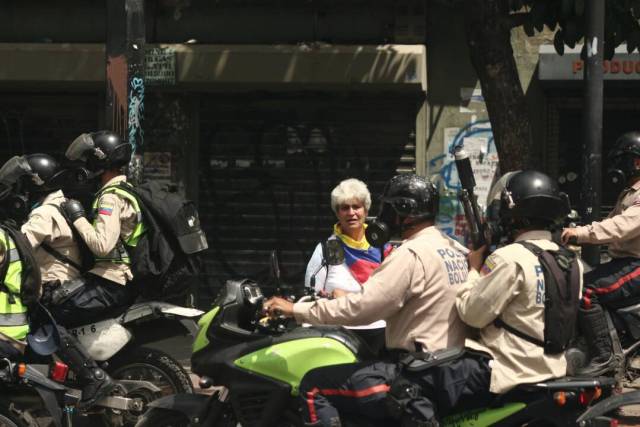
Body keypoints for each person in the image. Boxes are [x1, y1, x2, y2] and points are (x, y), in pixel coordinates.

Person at [263, 173, 470, 427]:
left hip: (418, 370)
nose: (354, 213)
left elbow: (363, 306)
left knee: (314, 386)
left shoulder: (408, 254)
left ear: (402, 210)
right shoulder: (454, 249)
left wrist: (295, 309)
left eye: (387, 208)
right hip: (449, 364)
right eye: (344, 208)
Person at [0, 154, 115, 407]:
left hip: (58, 284)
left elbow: (18, 248)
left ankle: (92, 376)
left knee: (43, 321)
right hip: (71, 281)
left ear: (33, 186)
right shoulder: (62, 203)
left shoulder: (44, 213)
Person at [561, 131, 640, 372]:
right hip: (624, 262)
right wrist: (569, 230)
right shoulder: (629, 193)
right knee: (575, 279)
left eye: (622, 161)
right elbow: (608, 223)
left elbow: (620, 227)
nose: (617, 168)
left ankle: (604, 356)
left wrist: (580, 234)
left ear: (637, 162)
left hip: (636, 265)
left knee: (587, 292)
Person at [57, 131, 143, 326]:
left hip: (111, 282)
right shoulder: (127, 189)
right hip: (118, 280)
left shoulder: (110, 197)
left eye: (88, 160)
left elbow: (102, 246)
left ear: (99, 162)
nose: (86, 166)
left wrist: (77, 217)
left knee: (54, 315)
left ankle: (78, 358)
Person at [304, 178, 389, 355]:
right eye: (345, 208)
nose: (351, 213)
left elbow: (393, 295)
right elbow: (310, 297)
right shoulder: (327, 249)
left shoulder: (382, 248)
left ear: (366, 210)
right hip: (338, 337)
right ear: (337, 213)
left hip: (381, 335)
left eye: (356, 207)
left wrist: (346, 296)